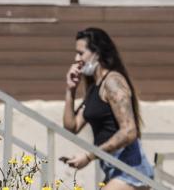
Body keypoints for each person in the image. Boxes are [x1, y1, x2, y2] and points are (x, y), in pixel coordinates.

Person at [61, 27, 156, 188]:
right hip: (112, 169)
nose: (76, 58)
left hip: (131, 171)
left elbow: (129, 131)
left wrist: (89, 156)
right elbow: (72, 126)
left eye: (81, 53)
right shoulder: (94, 88)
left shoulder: (113, 83)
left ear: (97, 53)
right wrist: (70, 89)